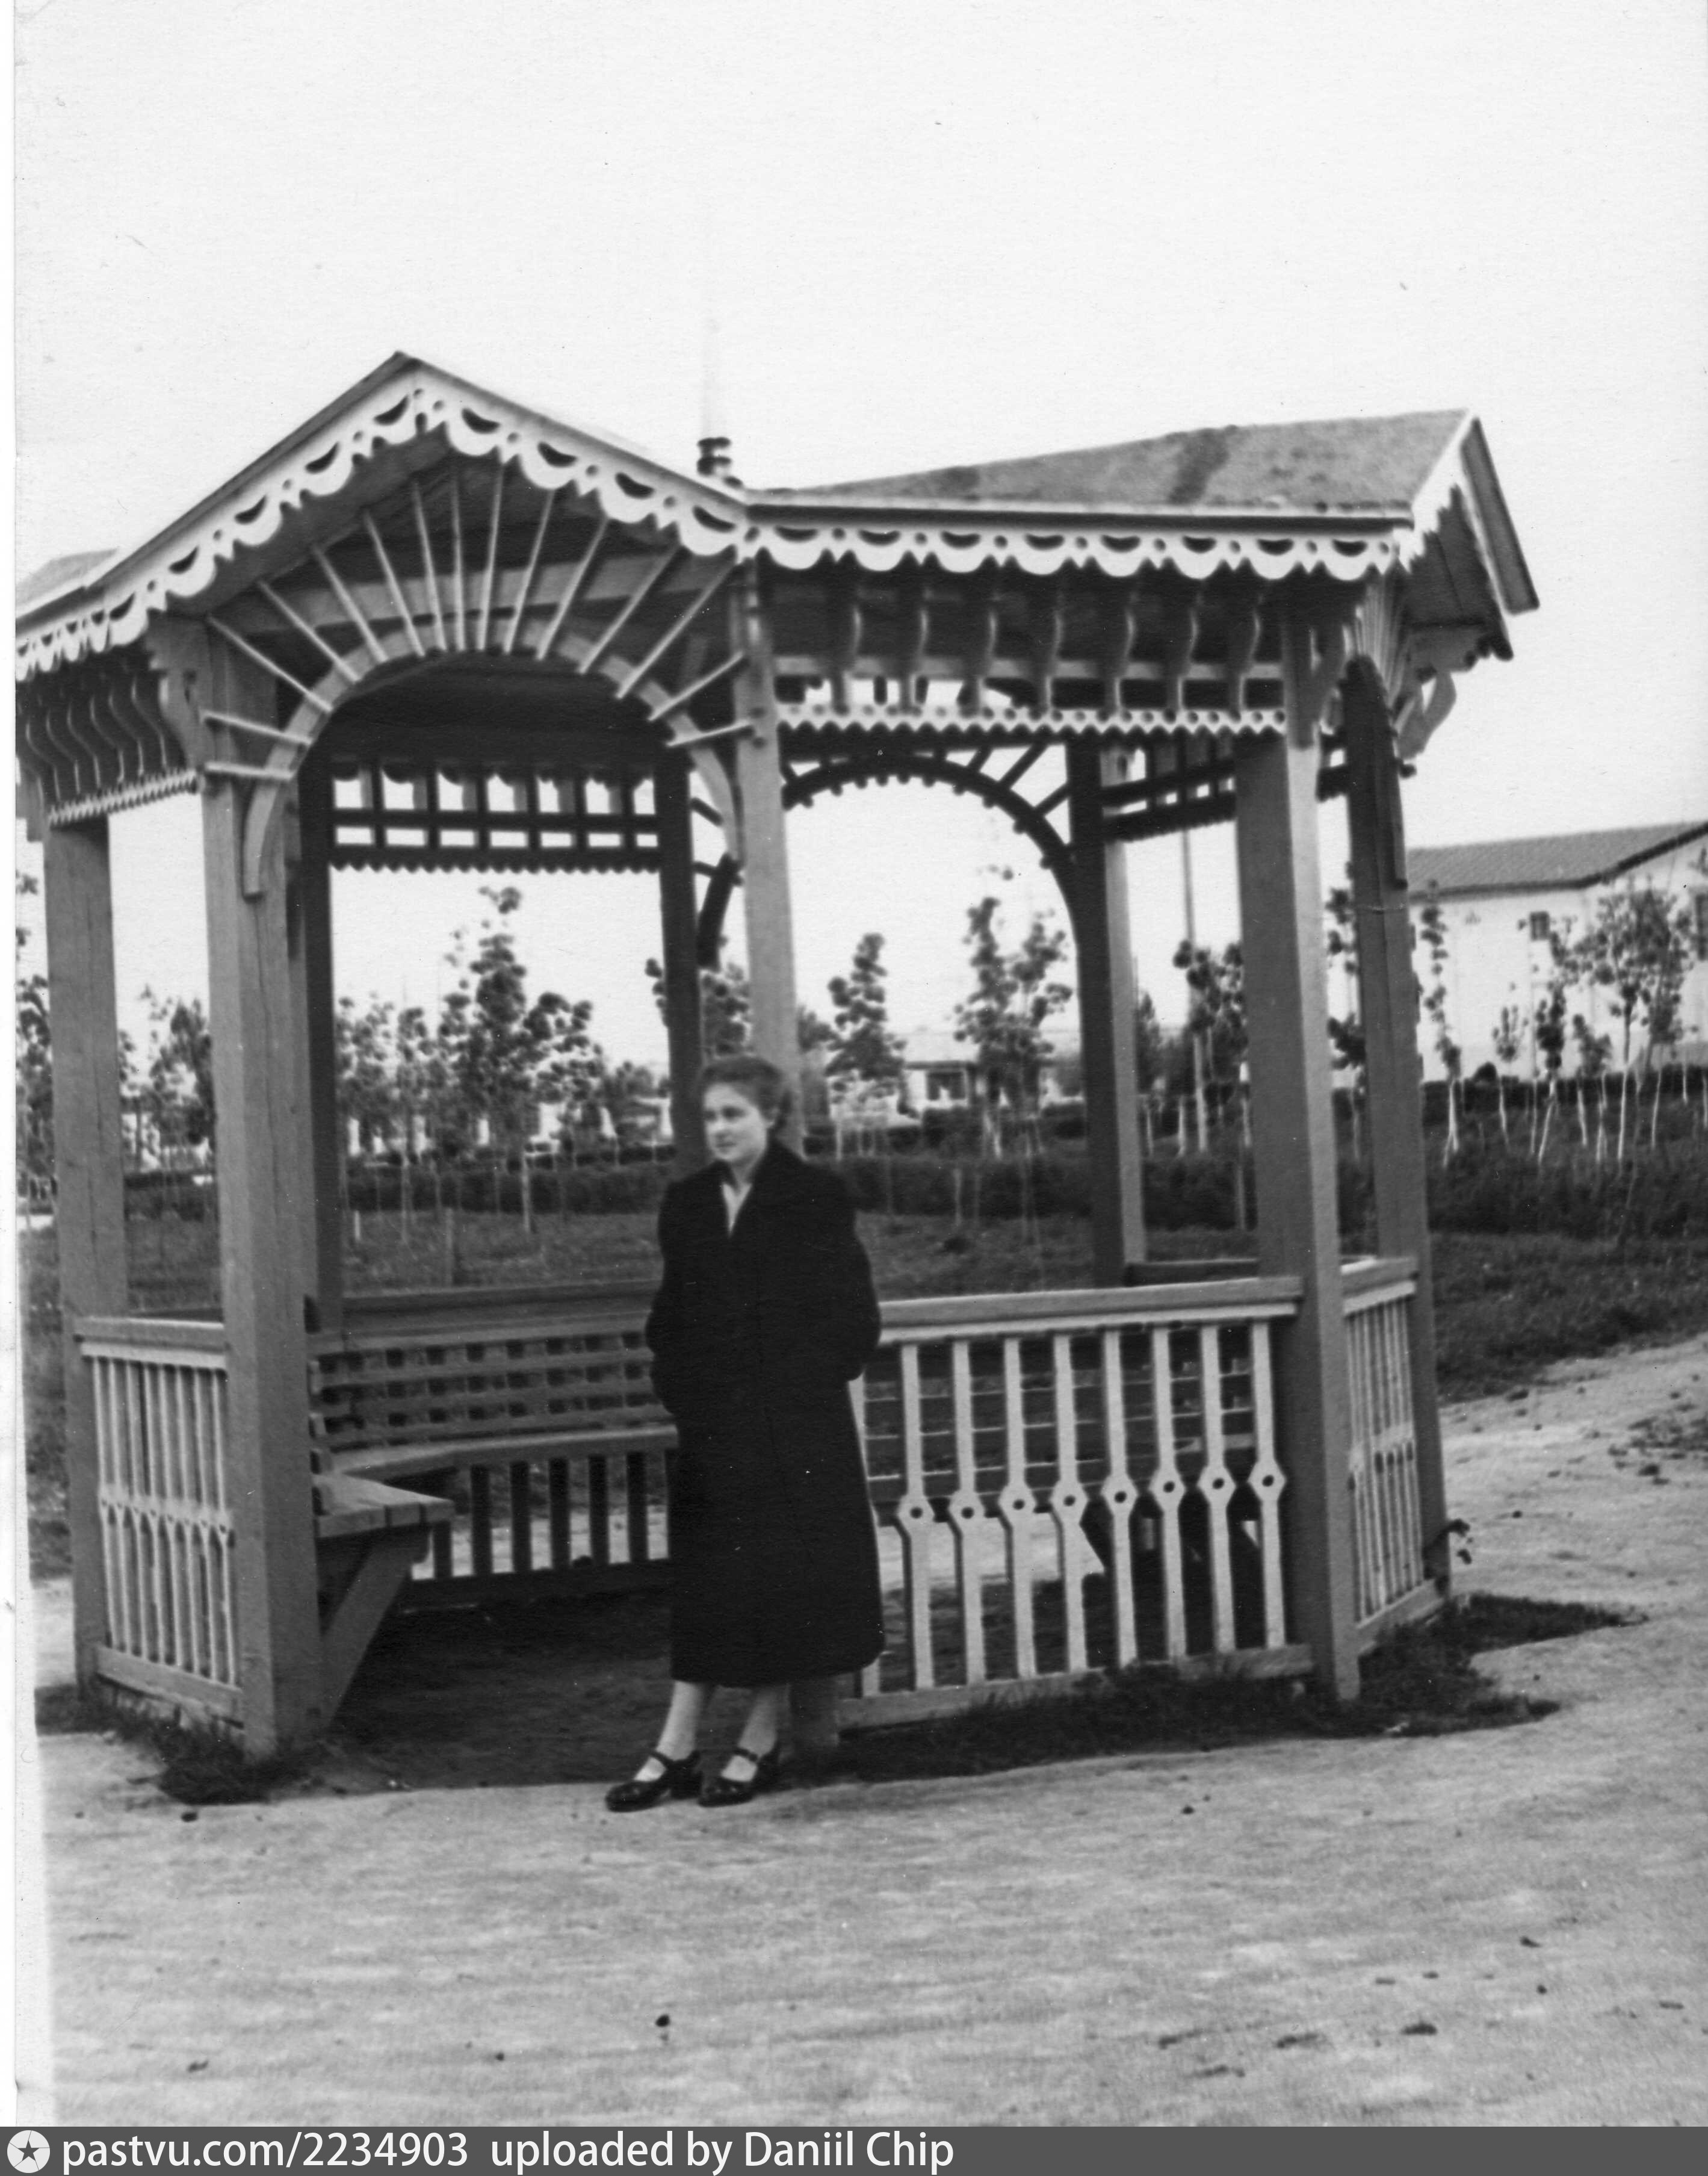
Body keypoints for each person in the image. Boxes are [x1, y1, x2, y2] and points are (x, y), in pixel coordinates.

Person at [605, 1054, 885, 1811]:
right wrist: (683, 1387)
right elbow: (672, 1314)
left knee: (781, 1582)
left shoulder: (815, 1198)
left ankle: (757, 1741)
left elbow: (853, 1319)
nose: (721, 1129)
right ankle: (676, 1747)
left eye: (735, 1114)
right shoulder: (689, 1203)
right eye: (711, 1117)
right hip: (717, 1426)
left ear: (772, 1116)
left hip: (796, 1429)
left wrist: (796, 1388)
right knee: (710, 1583)